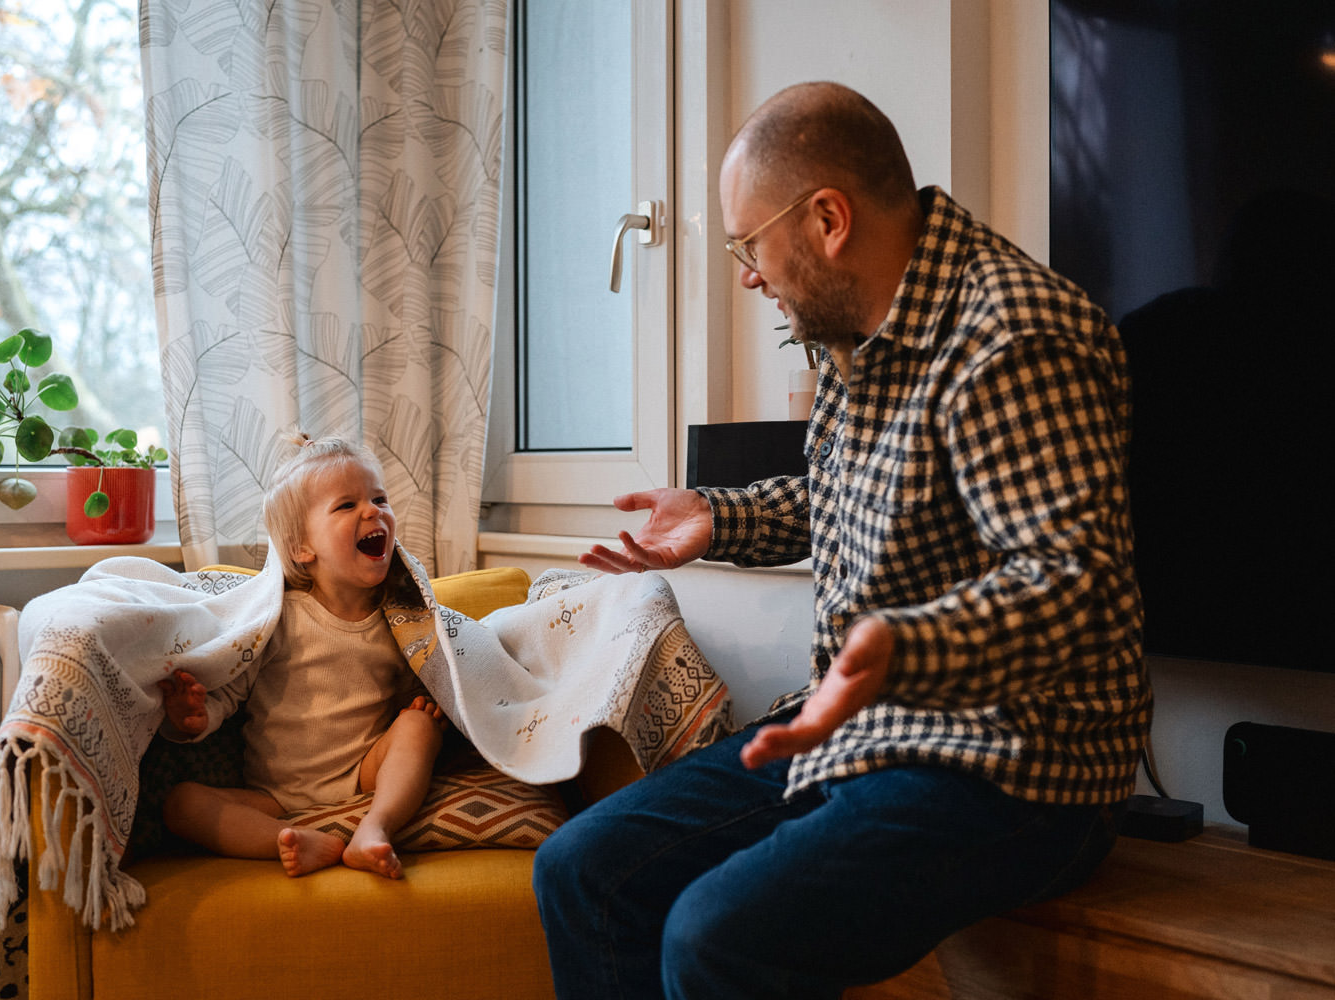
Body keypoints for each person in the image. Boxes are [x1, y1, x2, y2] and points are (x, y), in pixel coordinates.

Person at [531, 81, 1151, 998]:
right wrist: (721, 517)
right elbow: (863, 499)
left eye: (749, 243)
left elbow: (1068, 582)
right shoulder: (855, 334)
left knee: (711, 938)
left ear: (827, 219)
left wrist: (906, 646)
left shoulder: (1010, 336)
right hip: (872, 729)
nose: (746, 273)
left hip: (1017, 766)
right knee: (583, 872)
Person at [158, 435, 446, 880]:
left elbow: (425, 677)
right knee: (182, 804)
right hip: (273, 795)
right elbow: (230, 687)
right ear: (300, 549)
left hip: (363, 775)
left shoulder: (401, 619)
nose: (373, 510)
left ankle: (375, 827)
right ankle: (287, 840)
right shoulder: (278, 618)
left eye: (379, 498)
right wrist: (195, 716)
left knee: (419, 727)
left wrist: (427, 705)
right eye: (346, 505)